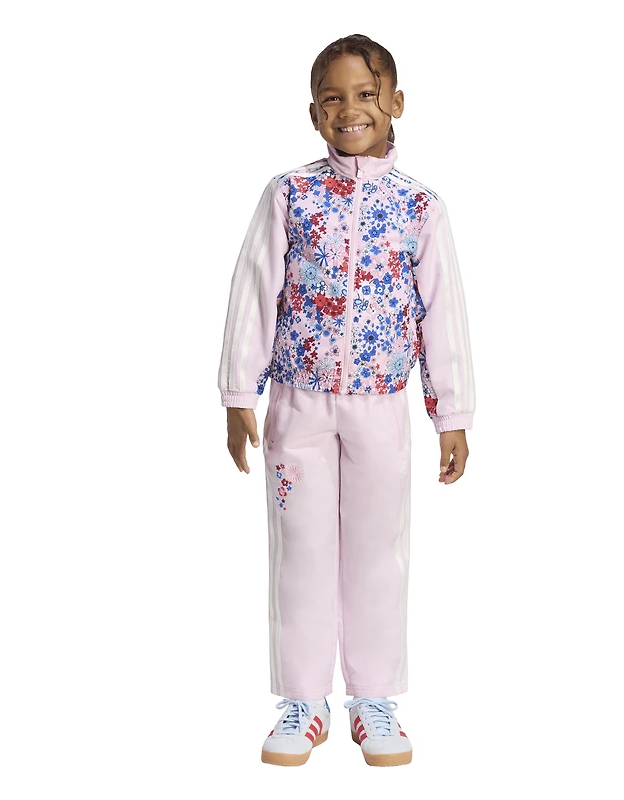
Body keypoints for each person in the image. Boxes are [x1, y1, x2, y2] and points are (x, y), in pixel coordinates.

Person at [217, 33, 476, 767]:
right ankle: (303, 701)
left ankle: (374, 699)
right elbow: (254, 291)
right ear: (313, 113)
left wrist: (451, 413)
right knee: (299, 549)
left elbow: (443, 313)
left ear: (397, 103)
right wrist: (239, 392)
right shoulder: (288, 195)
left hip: (380, 407)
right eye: (332, 98)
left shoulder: (420, 206)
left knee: (377, 549)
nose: (349, 109)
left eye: (366, 94)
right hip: (297, 402)